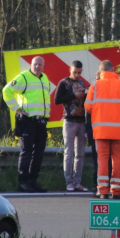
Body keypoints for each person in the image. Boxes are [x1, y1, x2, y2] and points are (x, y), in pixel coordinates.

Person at [85, 60, 120, 199]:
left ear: (100, 71)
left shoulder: (95, 85)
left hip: (101, 131)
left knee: (102, 160)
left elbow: (88, 107)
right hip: (118, 131)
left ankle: (103, 191)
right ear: (113, 70)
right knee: (117, 160)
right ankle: (117, 191)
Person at [2, 56, 52, 193]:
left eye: (40, 65)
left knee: (39, 153)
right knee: (27, 151)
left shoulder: (44, 78)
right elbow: (6, 91)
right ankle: (23, 182)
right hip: (28, 121)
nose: (37, 67)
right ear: (31, 65)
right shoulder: (24, 77)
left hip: (41, 121)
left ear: (43, 66)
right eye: (35, 64)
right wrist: (16, 108)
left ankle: (32, 181)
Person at [54, 60, 89, 192]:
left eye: (79, 72)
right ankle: (68, 182)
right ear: (70, 69)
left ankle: (77, 182)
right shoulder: (64, 83)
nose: (77, 75)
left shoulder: (81, 82)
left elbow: (84, 102)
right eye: (75, 72)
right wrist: (73, 95)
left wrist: (87, 93)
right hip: (69, 121)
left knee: (80, 154)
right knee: (69, 152)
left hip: (81, 121)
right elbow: (57, 100)